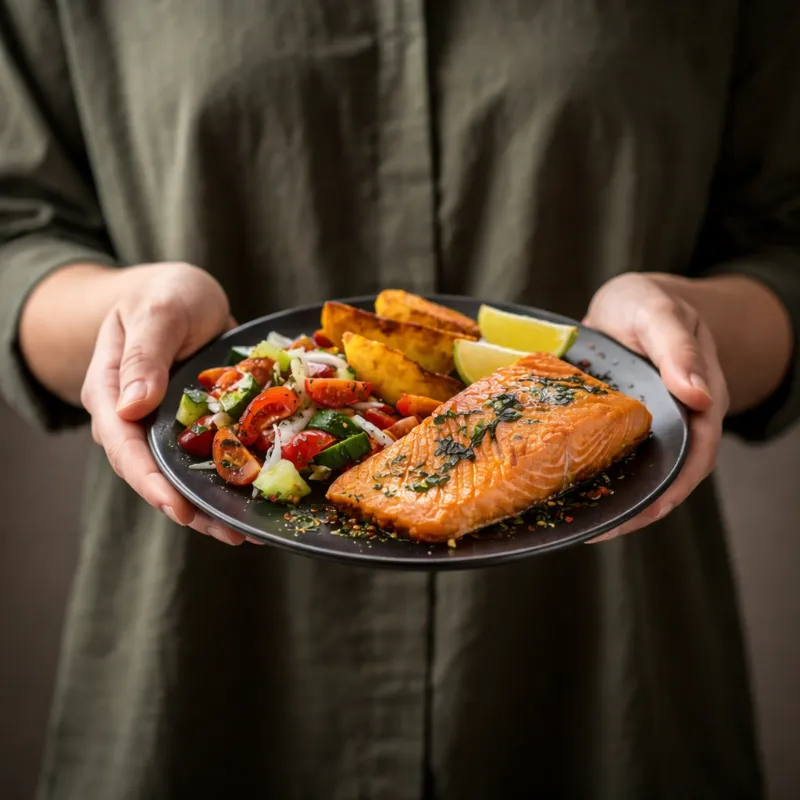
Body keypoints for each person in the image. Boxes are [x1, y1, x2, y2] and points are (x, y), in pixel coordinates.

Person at [1, 1, 798, 798]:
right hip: (204, 639)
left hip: (608, 649)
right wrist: (136, 319)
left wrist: (684, 339)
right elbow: (18, 232)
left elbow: (781, 243)